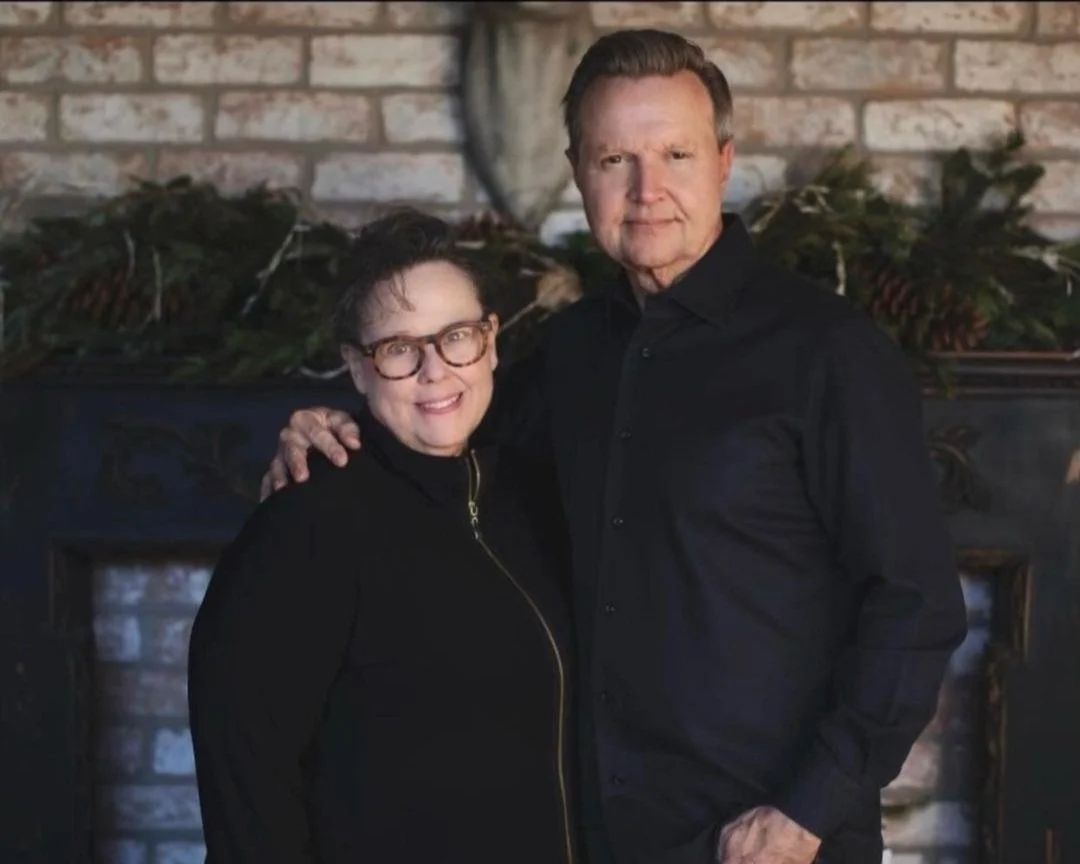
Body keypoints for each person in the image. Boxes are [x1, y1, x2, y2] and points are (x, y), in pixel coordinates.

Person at [259, 29, 967, 864]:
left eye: (675, 153)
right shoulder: (570, 353)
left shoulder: (829, 353)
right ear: (577, 173)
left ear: (724, 161)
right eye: (613, 161)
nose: (647, 190)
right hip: (593, 838)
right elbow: (447, 458)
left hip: (772, 844)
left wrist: (805, 812)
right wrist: (338, 431)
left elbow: (916, 604)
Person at [187, 209, 578, 864]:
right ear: (358, 367)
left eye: (455, 336)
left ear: (490, 340)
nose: (435, 370)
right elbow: (245, 792)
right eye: (399, 348)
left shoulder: (535, 500)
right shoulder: (305, 528)